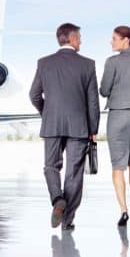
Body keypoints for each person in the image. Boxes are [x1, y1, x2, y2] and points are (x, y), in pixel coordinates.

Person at [29, 23, 100, 231]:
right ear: (72, 38)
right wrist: (93, 129)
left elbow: (33, 95)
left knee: (51, 166)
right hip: (79, 127)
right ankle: (67, 221)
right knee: (74, 173)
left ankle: (57, 199)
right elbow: (93, 102)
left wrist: (47, 113)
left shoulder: (44, 63)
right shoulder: (88, 64)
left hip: (52, 124)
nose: (81, 41)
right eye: (80, 37)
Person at [99, 26, 130, 226]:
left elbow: (104, 90)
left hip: (118, 115)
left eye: (114, 38)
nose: (111, 42)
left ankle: (123, 210)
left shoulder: (112, 62)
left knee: (118, 166)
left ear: (126, 40)